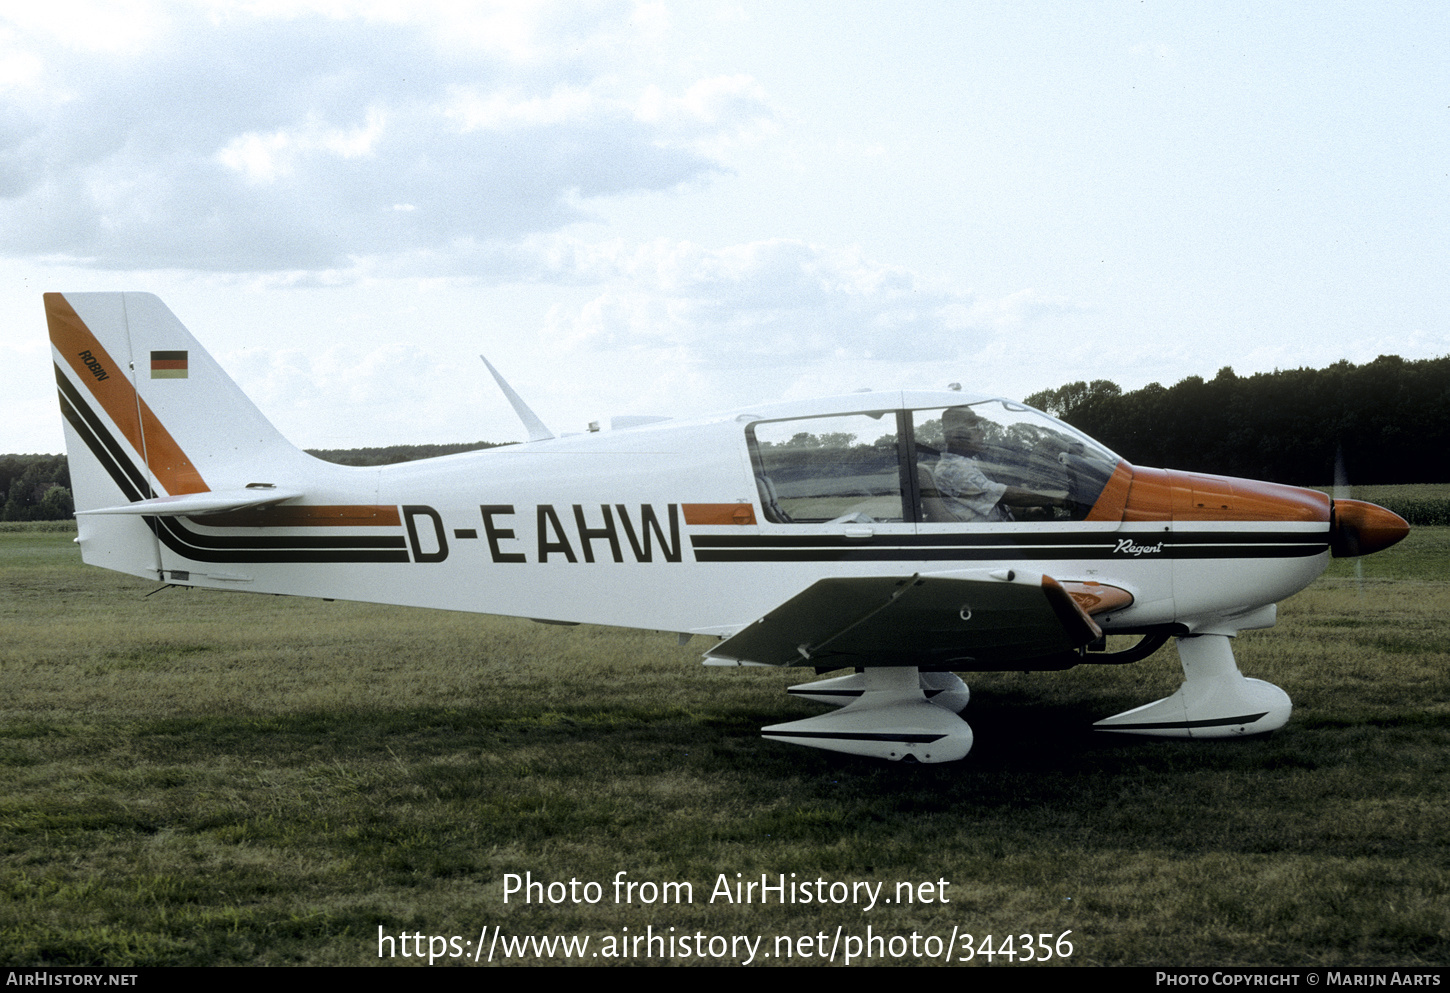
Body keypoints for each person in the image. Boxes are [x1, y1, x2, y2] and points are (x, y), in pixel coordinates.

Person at [932, 406, 1069, 522]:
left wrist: (1026, 511)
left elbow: (989, 502)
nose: (983, 433)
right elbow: (1003, 495)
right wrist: (1056, 499)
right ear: (956, 434)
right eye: (976, 428)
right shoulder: (953, 469)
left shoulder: (962, 464)